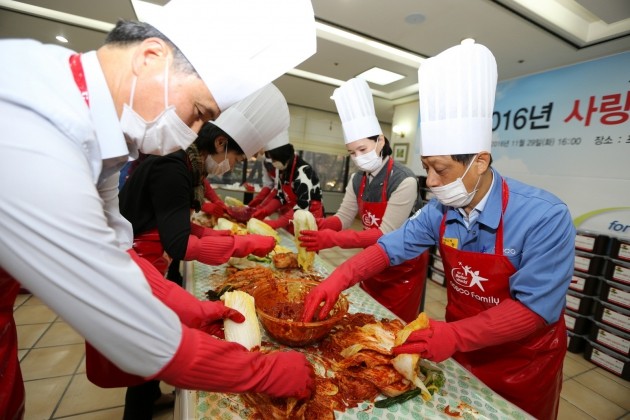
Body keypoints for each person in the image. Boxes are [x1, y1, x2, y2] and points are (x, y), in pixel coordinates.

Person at [0, 0, 316, 417]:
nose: (194, 132)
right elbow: (132, 331)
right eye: (200, 113)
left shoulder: (100, 139)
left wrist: (189, 306)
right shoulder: (30, 122)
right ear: (151, 57)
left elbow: (119, 250)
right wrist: (263, 372)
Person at [301, 42, 575, 420]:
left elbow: (534, 309)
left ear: (479, 162)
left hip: (523, 363)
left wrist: (456, 334)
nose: (430, 181)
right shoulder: (442, 211)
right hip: (461, 347)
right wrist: (339, 278)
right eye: (426, 167)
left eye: (440, 170)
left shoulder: (544, 217)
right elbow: (391, 246)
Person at [298, 78, 428, 323]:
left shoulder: (404, 181)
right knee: (368, 319)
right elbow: (343, 217)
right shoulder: (358, 179)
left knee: (392, 326)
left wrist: (333, 240)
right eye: (352, 152)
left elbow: (384, 233)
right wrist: (317, 226)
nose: (357, 158)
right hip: (373, 262)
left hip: (403, 269)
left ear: (380, 141)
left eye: (363, 149)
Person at [251, 132, 324, 231]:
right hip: (292, 214)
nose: (273, 163)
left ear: (283, 156)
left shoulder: (303, 170)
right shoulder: (282, 169)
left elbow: (303, 205)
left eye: (274, 160)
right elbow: (281, 196)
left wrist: (276, 223)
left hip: (309, 215)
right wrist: (265, 211)